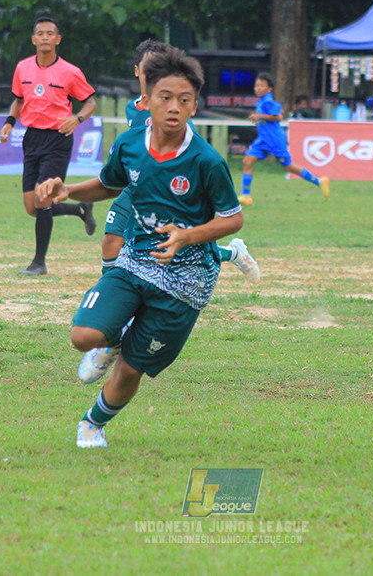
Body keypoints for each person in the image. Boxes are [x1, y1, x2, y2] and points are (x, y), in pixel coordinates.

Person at [35, 48, 244, 449]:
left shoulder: (207, 161)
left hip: (187, 282)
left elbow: (232, 219)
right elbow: (111, 183)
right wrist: (70, 189)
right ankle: (115, 337)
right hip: (134, 262)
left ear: (194, 106)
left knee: (131, 371)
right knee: (83, 336)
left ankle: (92, 424)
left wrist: (187, 235)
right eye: (165, 97)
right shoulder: (131, 143)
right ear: (146, 100)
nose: (174, 107)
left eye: (184, 100)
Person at [102, 39, 259, 283]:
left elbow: (189, 150)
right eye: (148, 66)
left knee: (174, 245)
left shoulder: (176, 109)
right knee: (111, 240)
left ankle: (234, 253)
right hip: (138, 187)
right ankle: (112, 301)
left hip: (170, 189)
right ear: (137, 71)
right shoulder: (133, 108)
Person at [0, 16, 98, 276]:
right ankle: (80, 208)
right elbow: (18, 101)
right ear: (33, 39)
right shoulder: (22, 68)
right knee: (32, 207)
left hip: (57, 140)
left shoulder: (70, 71)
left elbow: (90, 103)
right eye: (40, 33)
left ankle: (38, 263)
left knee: (43, 199)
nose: (44, 37)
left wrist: (77, 119)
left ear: (58, 39)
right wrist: (9, 122)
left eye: (50, 33)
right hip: (31, 139)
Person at [238, 73, 329, 205]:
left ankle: (320, 182)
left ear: (269, 89)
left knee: (289, 167)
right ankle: (246, 196)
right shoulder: (261, 101)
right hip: (263, 140)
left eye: (261, 86)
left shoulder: (268, 101)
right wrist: (259, 118)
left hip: (275, 140)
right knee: (247, 161)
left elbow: (278, 116)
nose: (258, 88)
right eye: (256, 85)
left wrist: (259, 116)